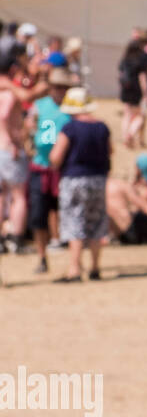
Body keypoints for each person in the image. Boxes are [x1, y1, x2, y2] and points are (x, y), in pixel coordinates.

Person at [48, 88, 111, 282]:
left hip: (74, 179)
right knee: (96, 222)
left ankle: (74, 269)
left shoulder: (71, 128)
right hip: (98, 179)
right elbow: (110, 152)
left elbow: (56, 156)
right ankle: (95, 267)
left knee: (74, 221)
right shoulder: (102, 127)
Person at [26, 67, 75, 272]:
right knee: (38, 214)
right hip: (41, 166)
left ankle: (71, 259)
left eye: (63, 87)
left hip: (65, 168)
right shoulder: (40, 105)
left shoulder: (73, 109)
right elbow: (29, 124)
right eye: (57, 87)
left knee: (66, 212)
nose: (60, 91)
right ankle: (42, 257)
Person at [0, 60, 31, 253]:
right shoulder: (10, 94)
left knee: (2, 195)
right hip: (9, 149)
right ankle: (16, 238)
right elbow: (4, 116)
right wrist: (13, 140)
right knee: (19, 196)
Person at [118, 37, 147, 149]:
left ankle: (125, 138)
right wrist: (146, 93)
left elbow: (120, 75)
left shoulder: (124, 60)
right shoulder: (140, 60)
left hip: (125, 90)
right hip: (136, 91)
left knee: (127, 115)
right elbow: (142, 78)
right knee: (140, 116)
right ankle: (130, 134)